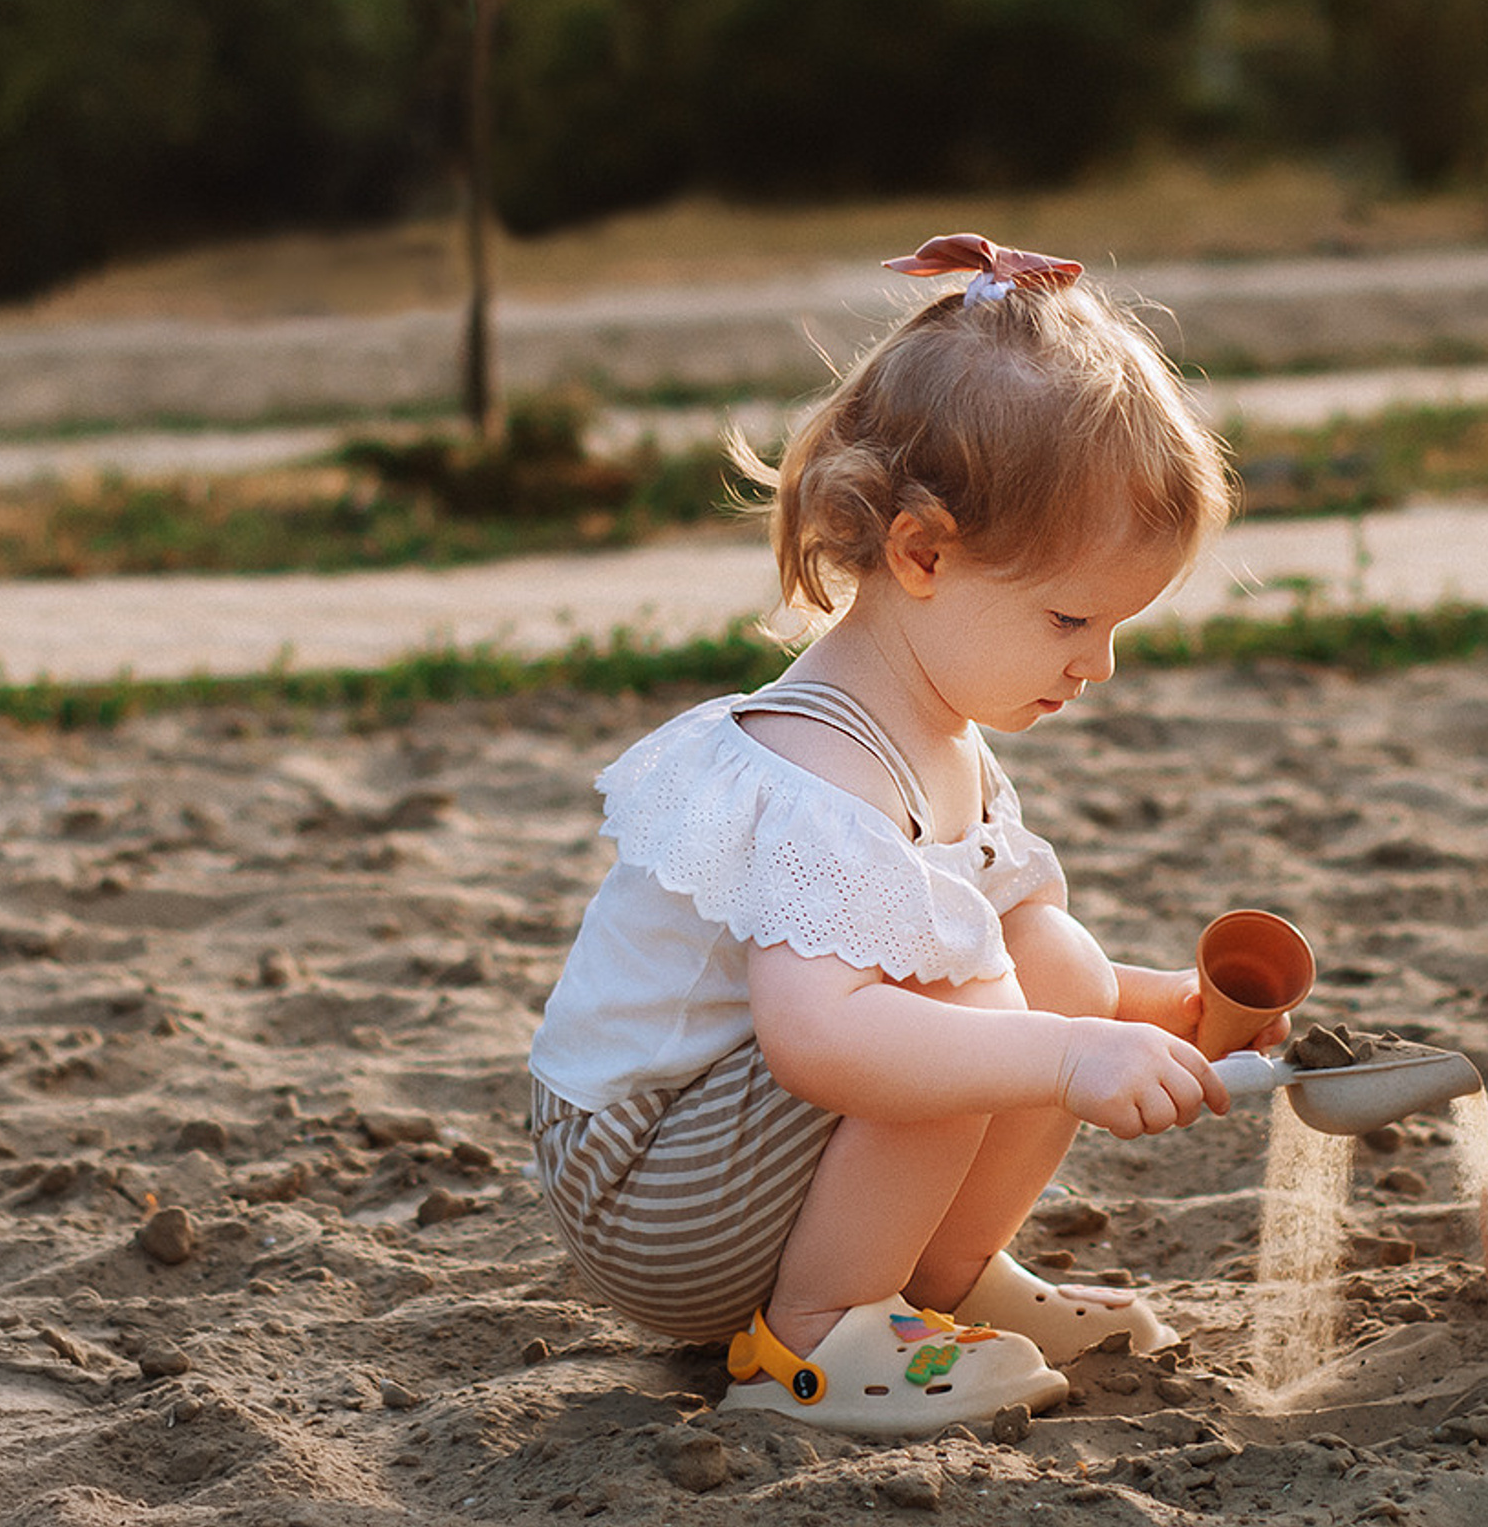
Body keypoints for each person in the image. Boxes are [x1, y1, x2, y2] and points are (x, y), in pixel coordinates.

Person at [527, 234, 1241, 1436]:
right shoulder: (818, 769)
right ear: (920, 553)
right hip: (645, 1186)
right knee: (972, 1005)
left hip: (729, 1153)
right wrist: (1067, 1057)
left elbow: (1030, 967)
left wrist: (1162, 1012)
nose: (1098, 663)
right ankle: (815, 1334)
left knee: (1050, 961)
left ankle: (934, 1283)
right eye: (1069, 617)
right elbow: (823, 1040)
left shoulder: (940, 736)